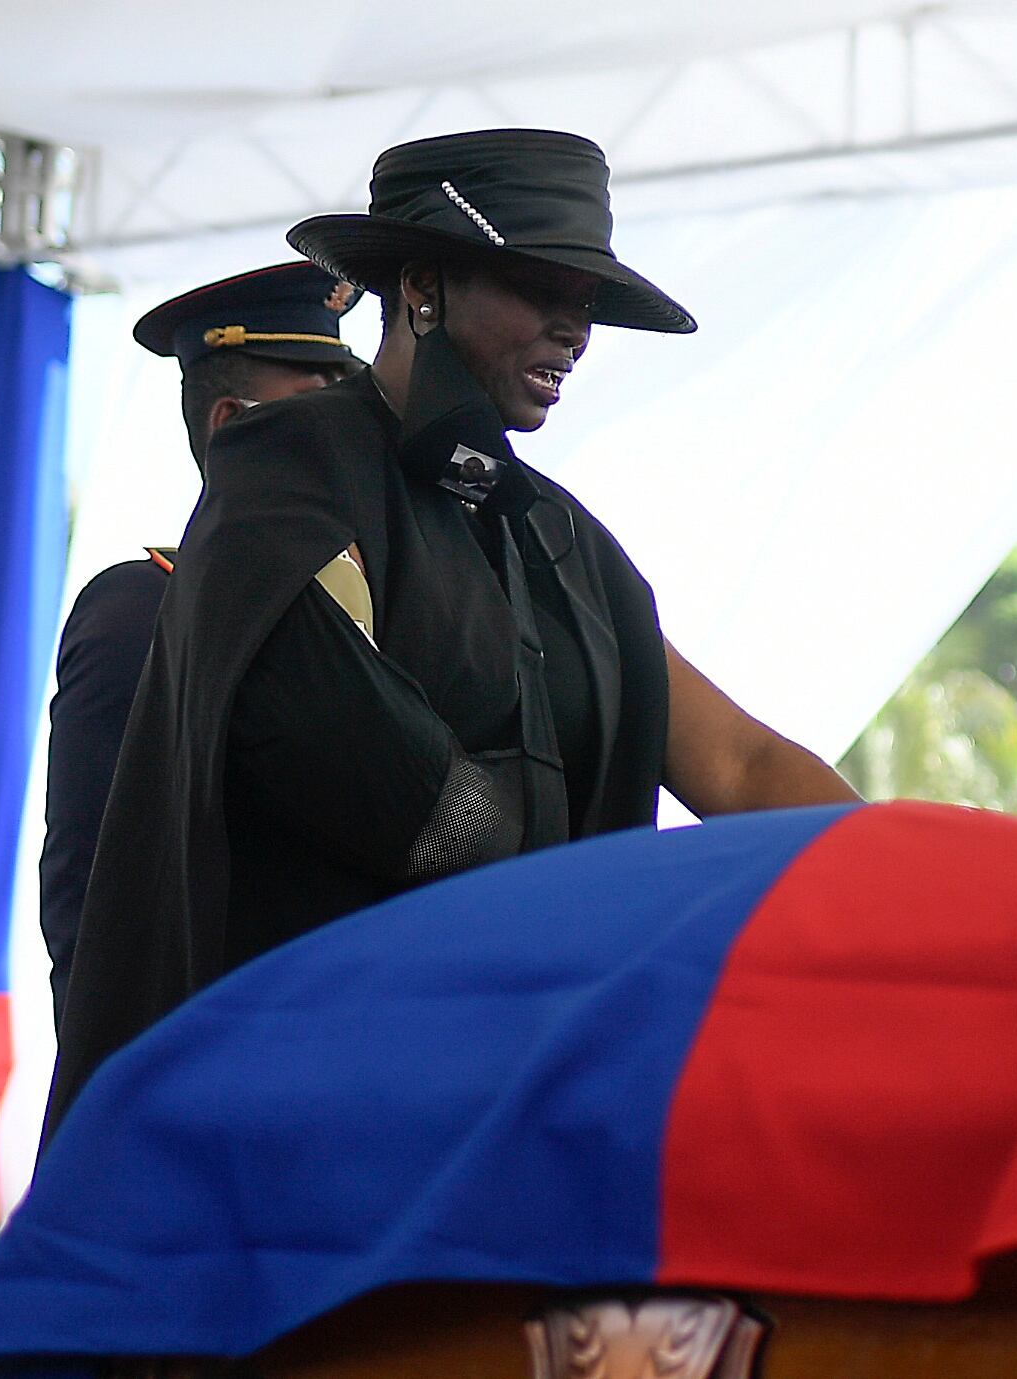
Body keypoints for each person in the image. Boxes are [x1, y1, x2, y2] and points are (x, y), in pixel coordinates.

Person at [45, 129, 859, 1134]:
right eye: (542, 288)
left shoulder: (558, 537)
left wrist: (919, 883)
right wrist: (625, 923)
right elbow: (423, 809)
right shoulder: (289, 473)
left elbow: (737, 763)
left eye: (587, 302)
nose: (575, 330)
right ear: (422, 287)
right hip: (316, 1120)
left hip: (511, 1103)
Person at [37, 263, 363, 1027]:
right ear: (230, 423)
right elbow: (92, 890)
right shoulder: (144, 611)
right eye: (319, 402)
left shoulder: (370, 605)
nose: (351, 435)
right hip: (209, 1054)